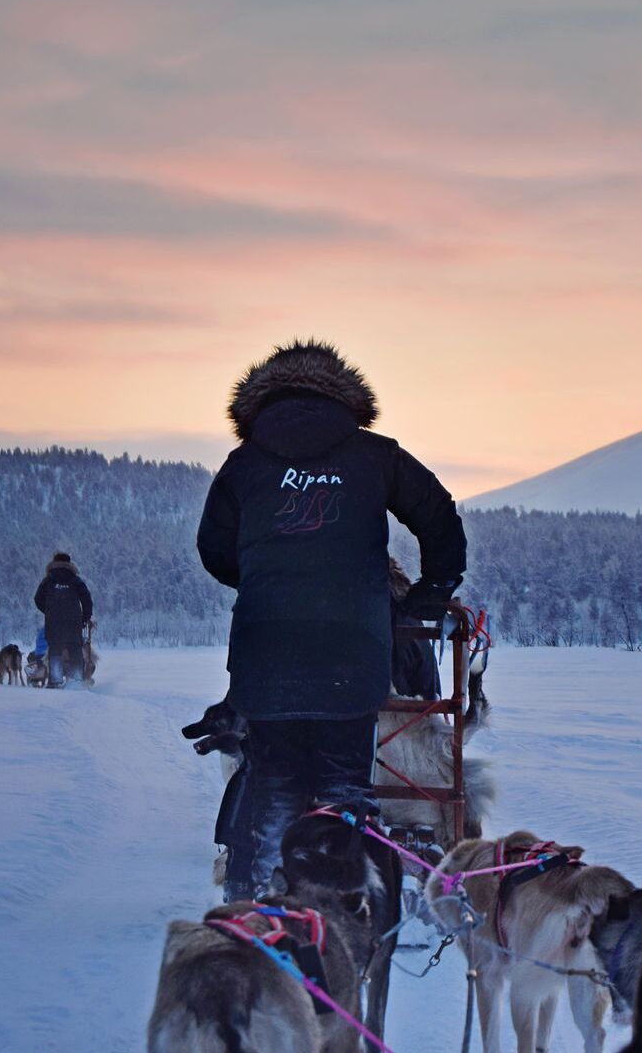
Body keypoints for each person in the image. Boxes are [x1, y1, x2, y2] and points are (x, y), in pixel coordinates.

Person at [196, 341, 466, 900]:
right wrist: (432, 592)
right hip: (354, 653)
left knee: (271, 789)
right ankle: (344, 912)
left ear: (260, 402)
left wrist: (266, 577)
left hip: (265, 656)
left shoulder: (245, 464)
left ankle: (259, 913)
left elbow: (213, 549)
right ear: (344, 396)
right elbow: (439, 516)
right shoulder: (375, 455)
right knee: (344, 790)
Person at [33, 551, 94, 687]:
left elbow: (37, 599)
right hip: (73, 623)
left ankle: (55, 682)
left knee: (55, 651)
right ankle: (76, 682)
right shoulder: (75, 580)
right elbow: (87, 600)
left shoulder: (48, 580)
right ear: (69, 564)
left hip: (53, 624)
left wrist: (49, 612)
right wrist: (84, 618)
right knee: (75, 651)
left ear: (53, 563)